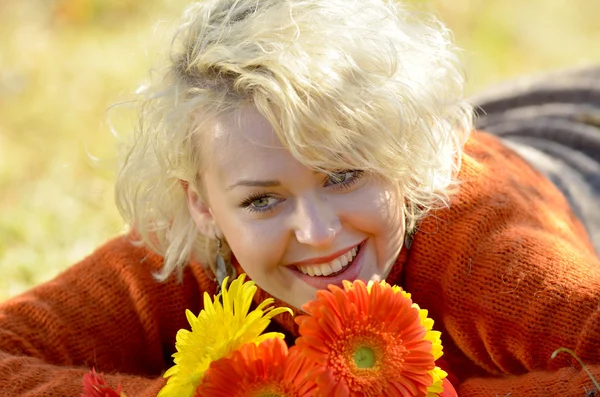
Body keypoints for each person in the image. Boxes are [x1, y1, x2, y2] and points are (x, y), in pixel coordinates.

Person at [1, 0, 600, 395]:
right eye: (263, 201)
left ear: (402, 156)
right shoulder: (195, 256)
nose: (316, 232)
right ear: (202, 205)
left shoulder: (483, 251)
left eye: (342, 177)